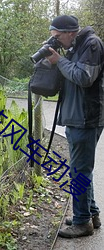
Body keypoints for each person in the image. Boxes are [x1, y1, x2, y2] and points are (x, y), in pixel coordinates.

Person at [46, 15, 104, 238]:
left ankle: (82, 223)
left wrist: (59, 61)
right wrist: (56, 60)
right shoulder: (75, 46)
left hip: (86, 118)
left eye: (58, 37)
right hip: (77, 117)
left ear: (70, 32)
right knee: (81, 170)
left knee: (79, 171)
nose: (57, 41)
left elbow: (83, 77)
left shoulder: (92, 44)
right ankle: (91, 214)